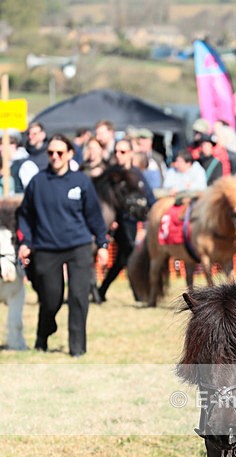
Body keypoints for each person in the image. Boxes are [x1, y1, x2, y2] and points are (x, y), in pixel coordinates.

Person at [17, 134, 109, 357]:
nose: (55, 157)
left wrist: (102, 243)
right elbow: (25, 216)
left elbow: (94, 216)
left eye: (59, 153)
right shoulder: (38, 182)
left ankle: (77, 348)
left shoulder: (81, 182)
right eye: (51, 153)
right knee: (51, 298)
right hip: (46, 247)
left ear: (69, 154)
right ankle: (43, 334)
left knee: (78, 297)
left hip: (78, 246)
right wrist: (25, 242)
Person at [96, 136, 156, 302]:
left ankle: (102, 291)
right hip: (117, 223)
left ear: (131, 153)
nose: (119, 155)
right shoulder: (111, 174)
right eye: (116, 152)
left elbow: (150, 198)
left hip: (133, 223)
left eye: (123, 151)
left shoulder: (136, 174)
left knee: (123, 259)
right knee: (129, 255)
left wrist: (151, 217)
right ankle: (139, 294)